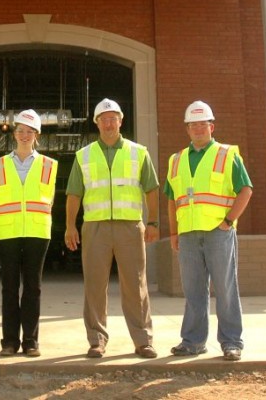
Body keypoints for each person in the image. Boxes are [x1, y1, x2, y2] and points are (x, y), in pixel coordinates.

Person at [64, 98, 160, 359]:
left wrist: (152, 222)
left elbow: (151, 189)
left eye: (113, 119)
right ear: (97, 123)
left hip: (130, 227)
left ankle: (143, 340)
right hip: (95, 227)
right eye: (103, 119)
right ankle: (96, 340)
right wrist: (70, 226)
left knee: (135, 285)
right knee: (95, 286)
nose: (108, 123)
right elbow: (74, 194)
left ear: (121, 121)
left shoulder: (138, 152)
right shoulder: (84, 155)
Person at [165, 100, 253, 361]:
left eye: (203, 124)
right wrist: (174, 232)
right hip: (188, 234)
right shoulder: (176, 160)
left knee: (225, 288)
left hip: (218, 232)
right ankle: (192, 342)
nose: (198, 129)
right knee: (193, 290)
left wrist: (228, 221)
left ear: (211, 127)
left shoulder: (227, 155)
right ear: (187, 129)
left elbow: (245, 190)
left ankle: (231, 342)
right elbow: (171, 199)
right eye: (193, 125)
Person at [0, 109, 58, 358]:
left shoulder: (49, 165)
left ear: (37, 135)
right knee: (8, 288)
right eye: (20, 131)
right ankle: (9, 342)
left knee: (32, 288)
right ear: (14, 134)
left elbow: (48, 199)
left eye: (30, 131)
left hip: (37, 231)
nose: (24, 135)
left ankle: (30, 341)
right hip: (7, 232)